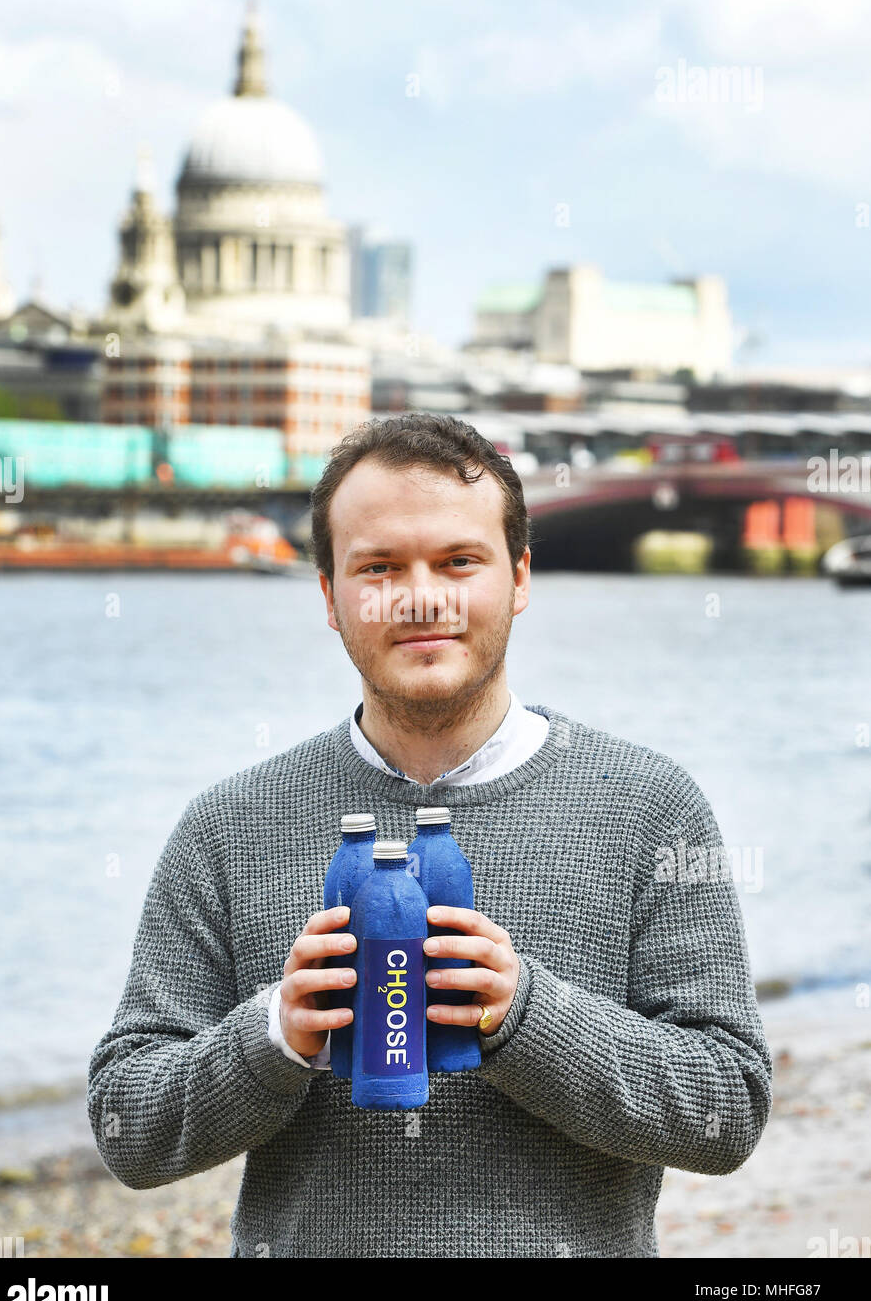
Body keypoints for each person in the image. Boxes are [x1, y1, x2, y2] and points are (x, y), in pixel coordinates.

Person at [87, 411, 772, 1258]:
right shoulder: (229, 826)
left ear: (519, 577)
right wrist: (272, 1034)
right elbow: (128, 1129)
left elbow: (728, 1110)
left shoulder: (650, 806)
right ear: (331, 596)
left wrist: (528, 1015)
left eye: (459, 561)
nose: (420, 597)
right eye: (378, 567)